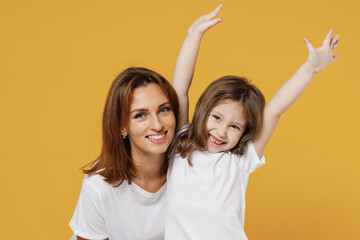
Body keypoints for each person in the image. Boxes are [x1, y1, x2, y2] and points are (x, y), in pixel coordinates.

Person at [165, 4, 340, 240]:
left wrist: (310, 68)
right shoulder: (180, 144)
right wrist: (193, 35)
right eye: (216, 118)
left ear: (245, 131)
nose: (221, 131)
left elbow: (274, 111)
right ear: (204, 111)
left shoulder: (240, 159)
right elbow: (180, 89)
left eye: (234, 126)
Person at [69, 67, 179, 240]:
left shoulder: (188, 171)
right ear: (121, 128)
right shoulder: (99, 187)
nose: (157, 125)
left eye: (164, 109)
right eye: (141, 115)